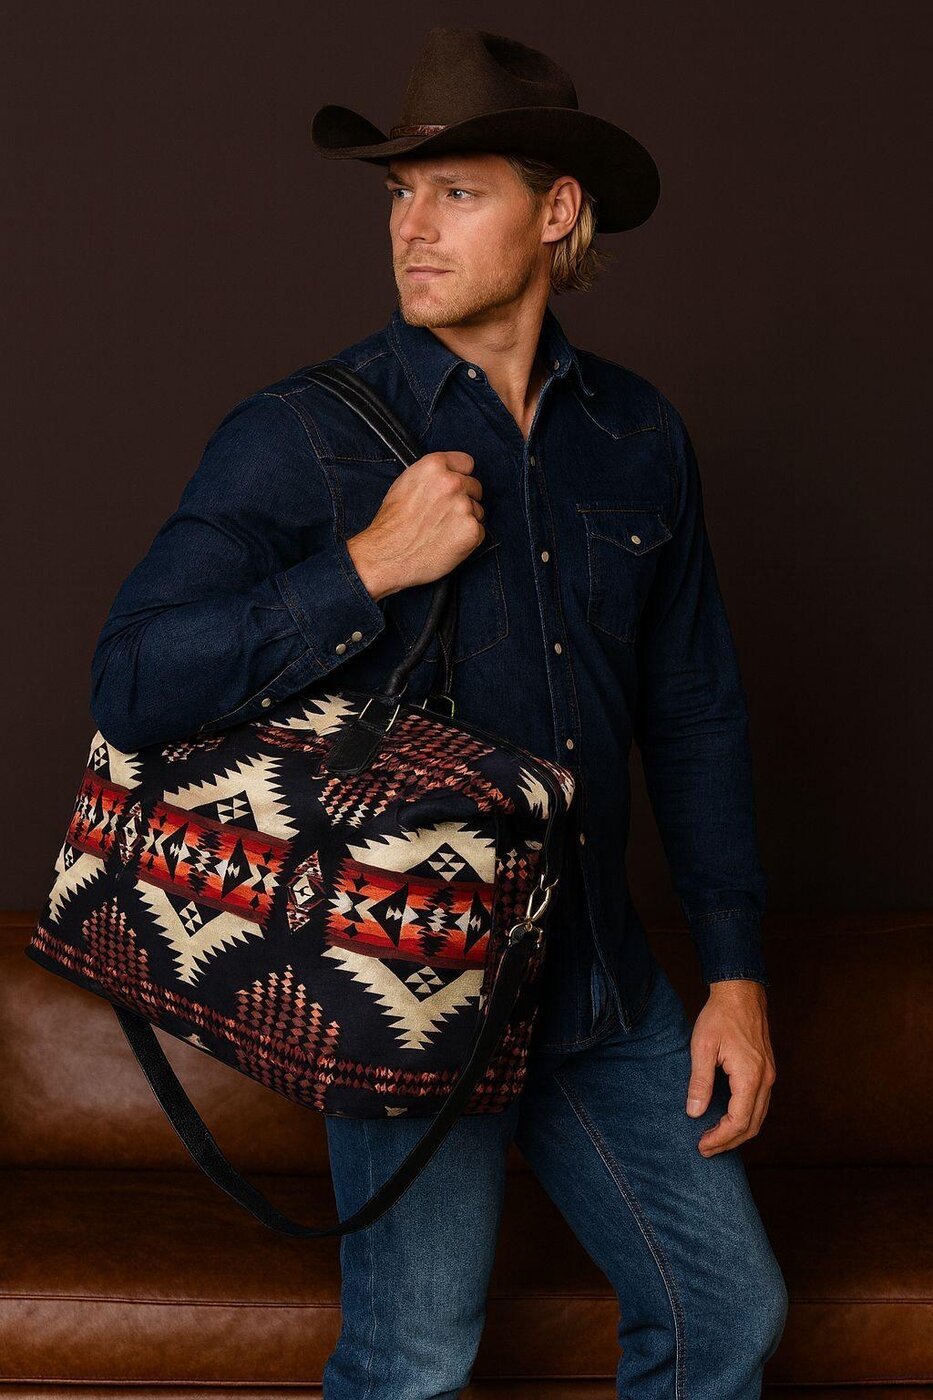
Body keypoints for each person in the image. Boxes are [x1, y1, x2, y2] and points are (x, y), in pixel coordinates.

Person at [90, 25, 788, 1399]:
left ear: (557, 212)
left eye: (456, 192)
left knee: (727, 1319)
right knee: (411, 1363)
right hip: (407, 977)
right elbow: (130, 679)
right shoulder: (300, 433)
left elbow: (695, 710)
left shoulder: (637, 435)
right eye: (400, 195)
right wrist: (365, 567)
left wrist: (734, 977)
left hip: (597, 976)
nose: (410, 228)